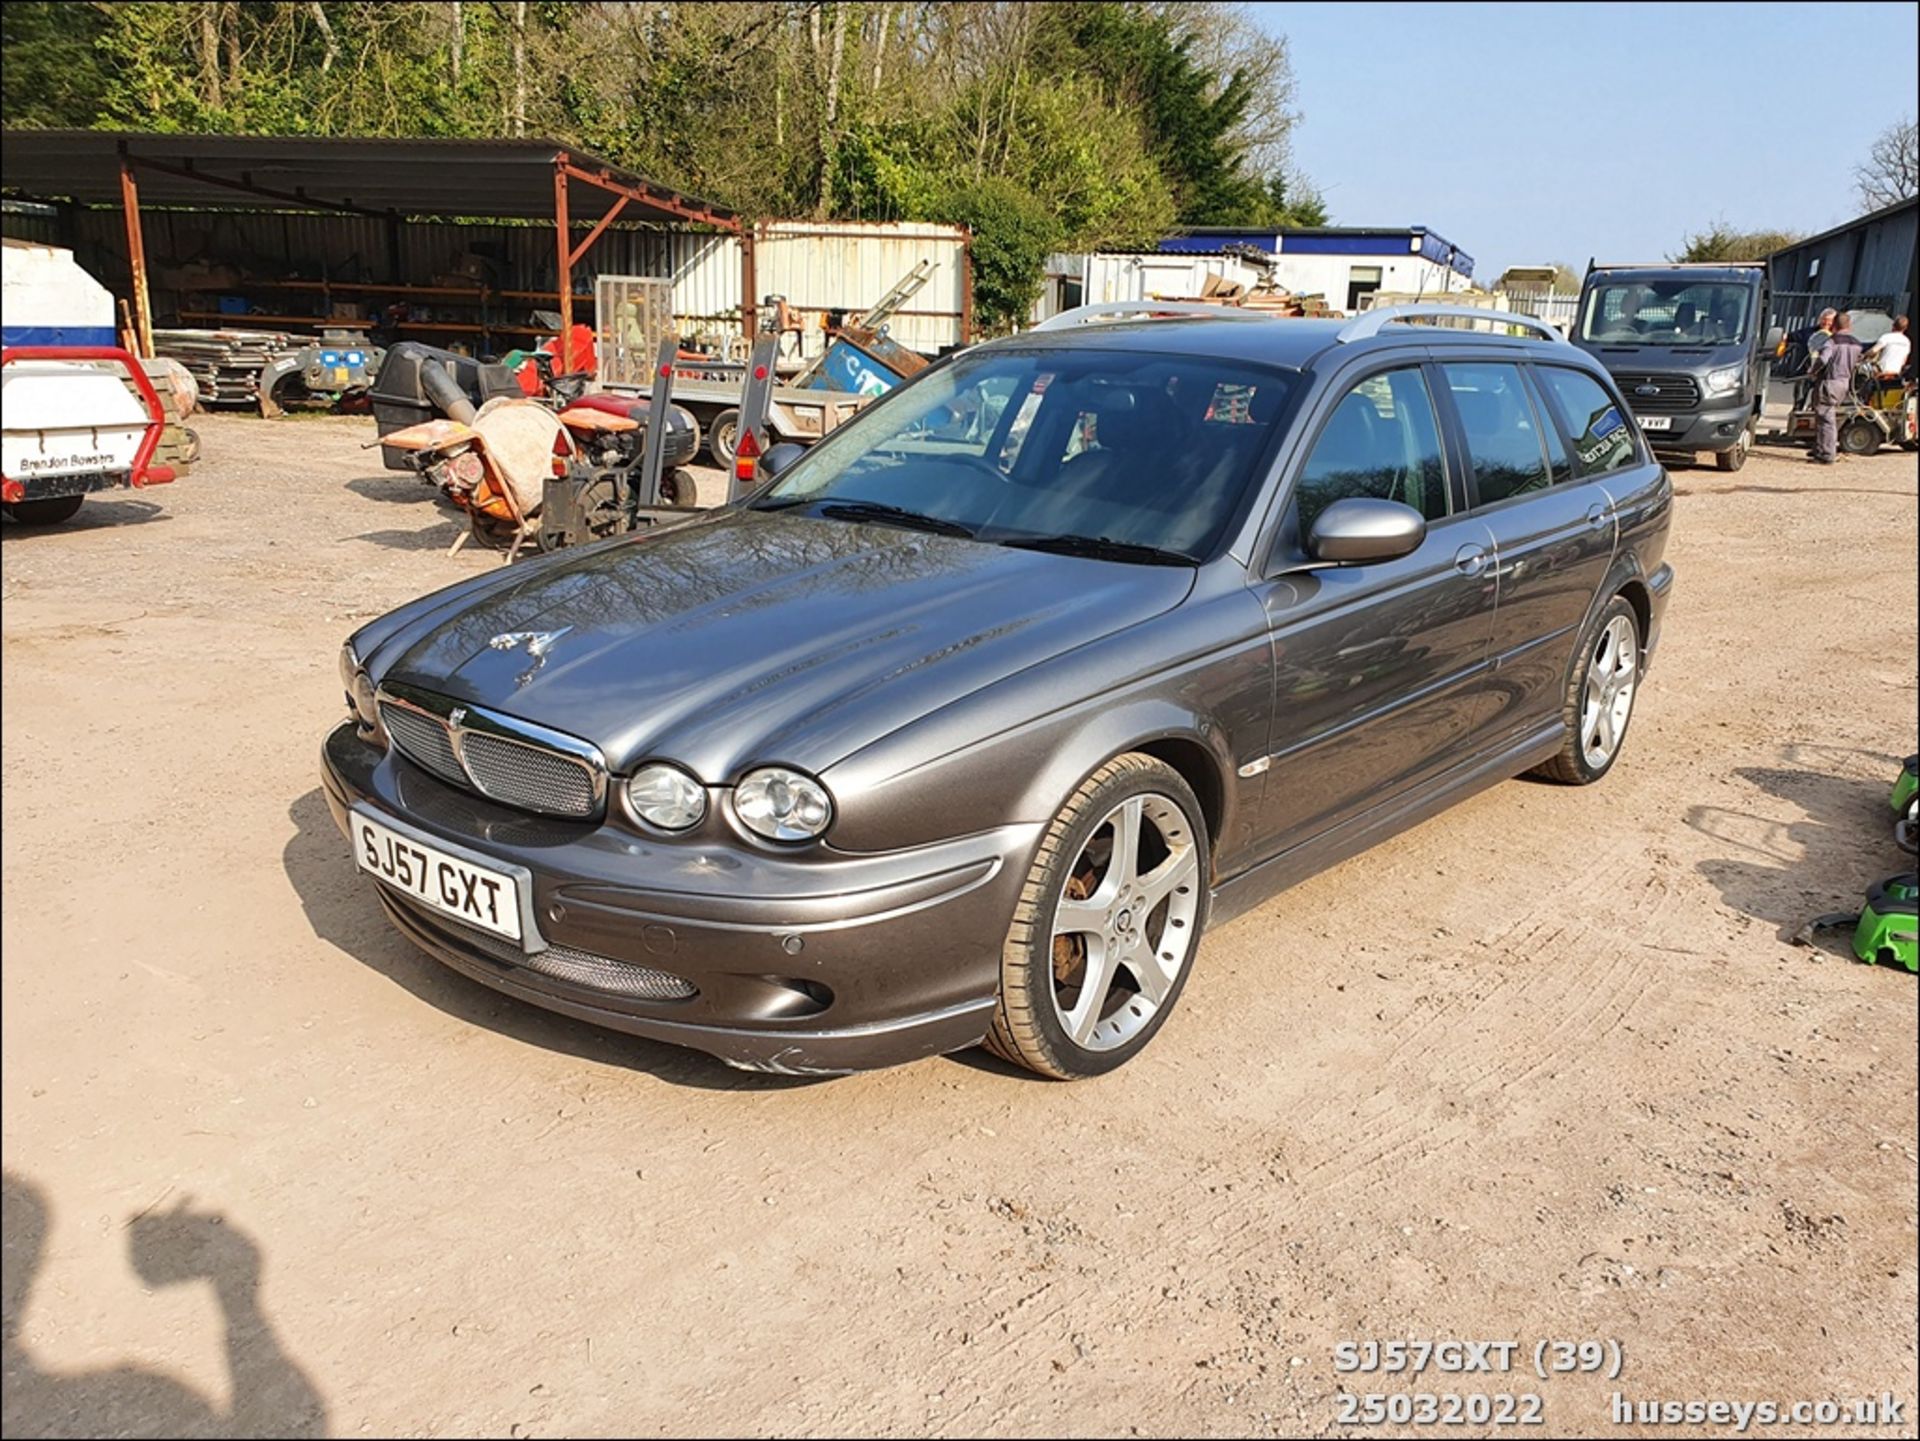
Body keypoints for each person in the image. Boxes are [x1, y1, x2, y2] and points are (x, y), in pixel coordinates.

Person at [1807, 310, 1863, 464]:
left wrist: (1813, 370)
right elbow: (1858, 362)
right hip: (1844, 383)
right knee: (1826, 416)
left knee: (1825, 419)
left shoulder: (1831, 342)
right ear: (1849, 325)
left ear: (1834, 325)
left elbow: (1823, 359)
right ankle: (1820, 447)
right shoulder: (1857, 343)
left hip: (1829, 382)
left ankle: (1826, 454)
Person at [1863, 315, 1911, 380]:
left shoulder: (1886, 337)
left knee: (1863, 370)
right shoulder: (1907, 342)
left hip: (1882, 371)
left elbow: (1873, 351)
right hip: (1896, 373)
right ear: (1905, 328)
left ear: (1893, 325)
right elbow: (1904, 361)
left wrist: (1863, 356)